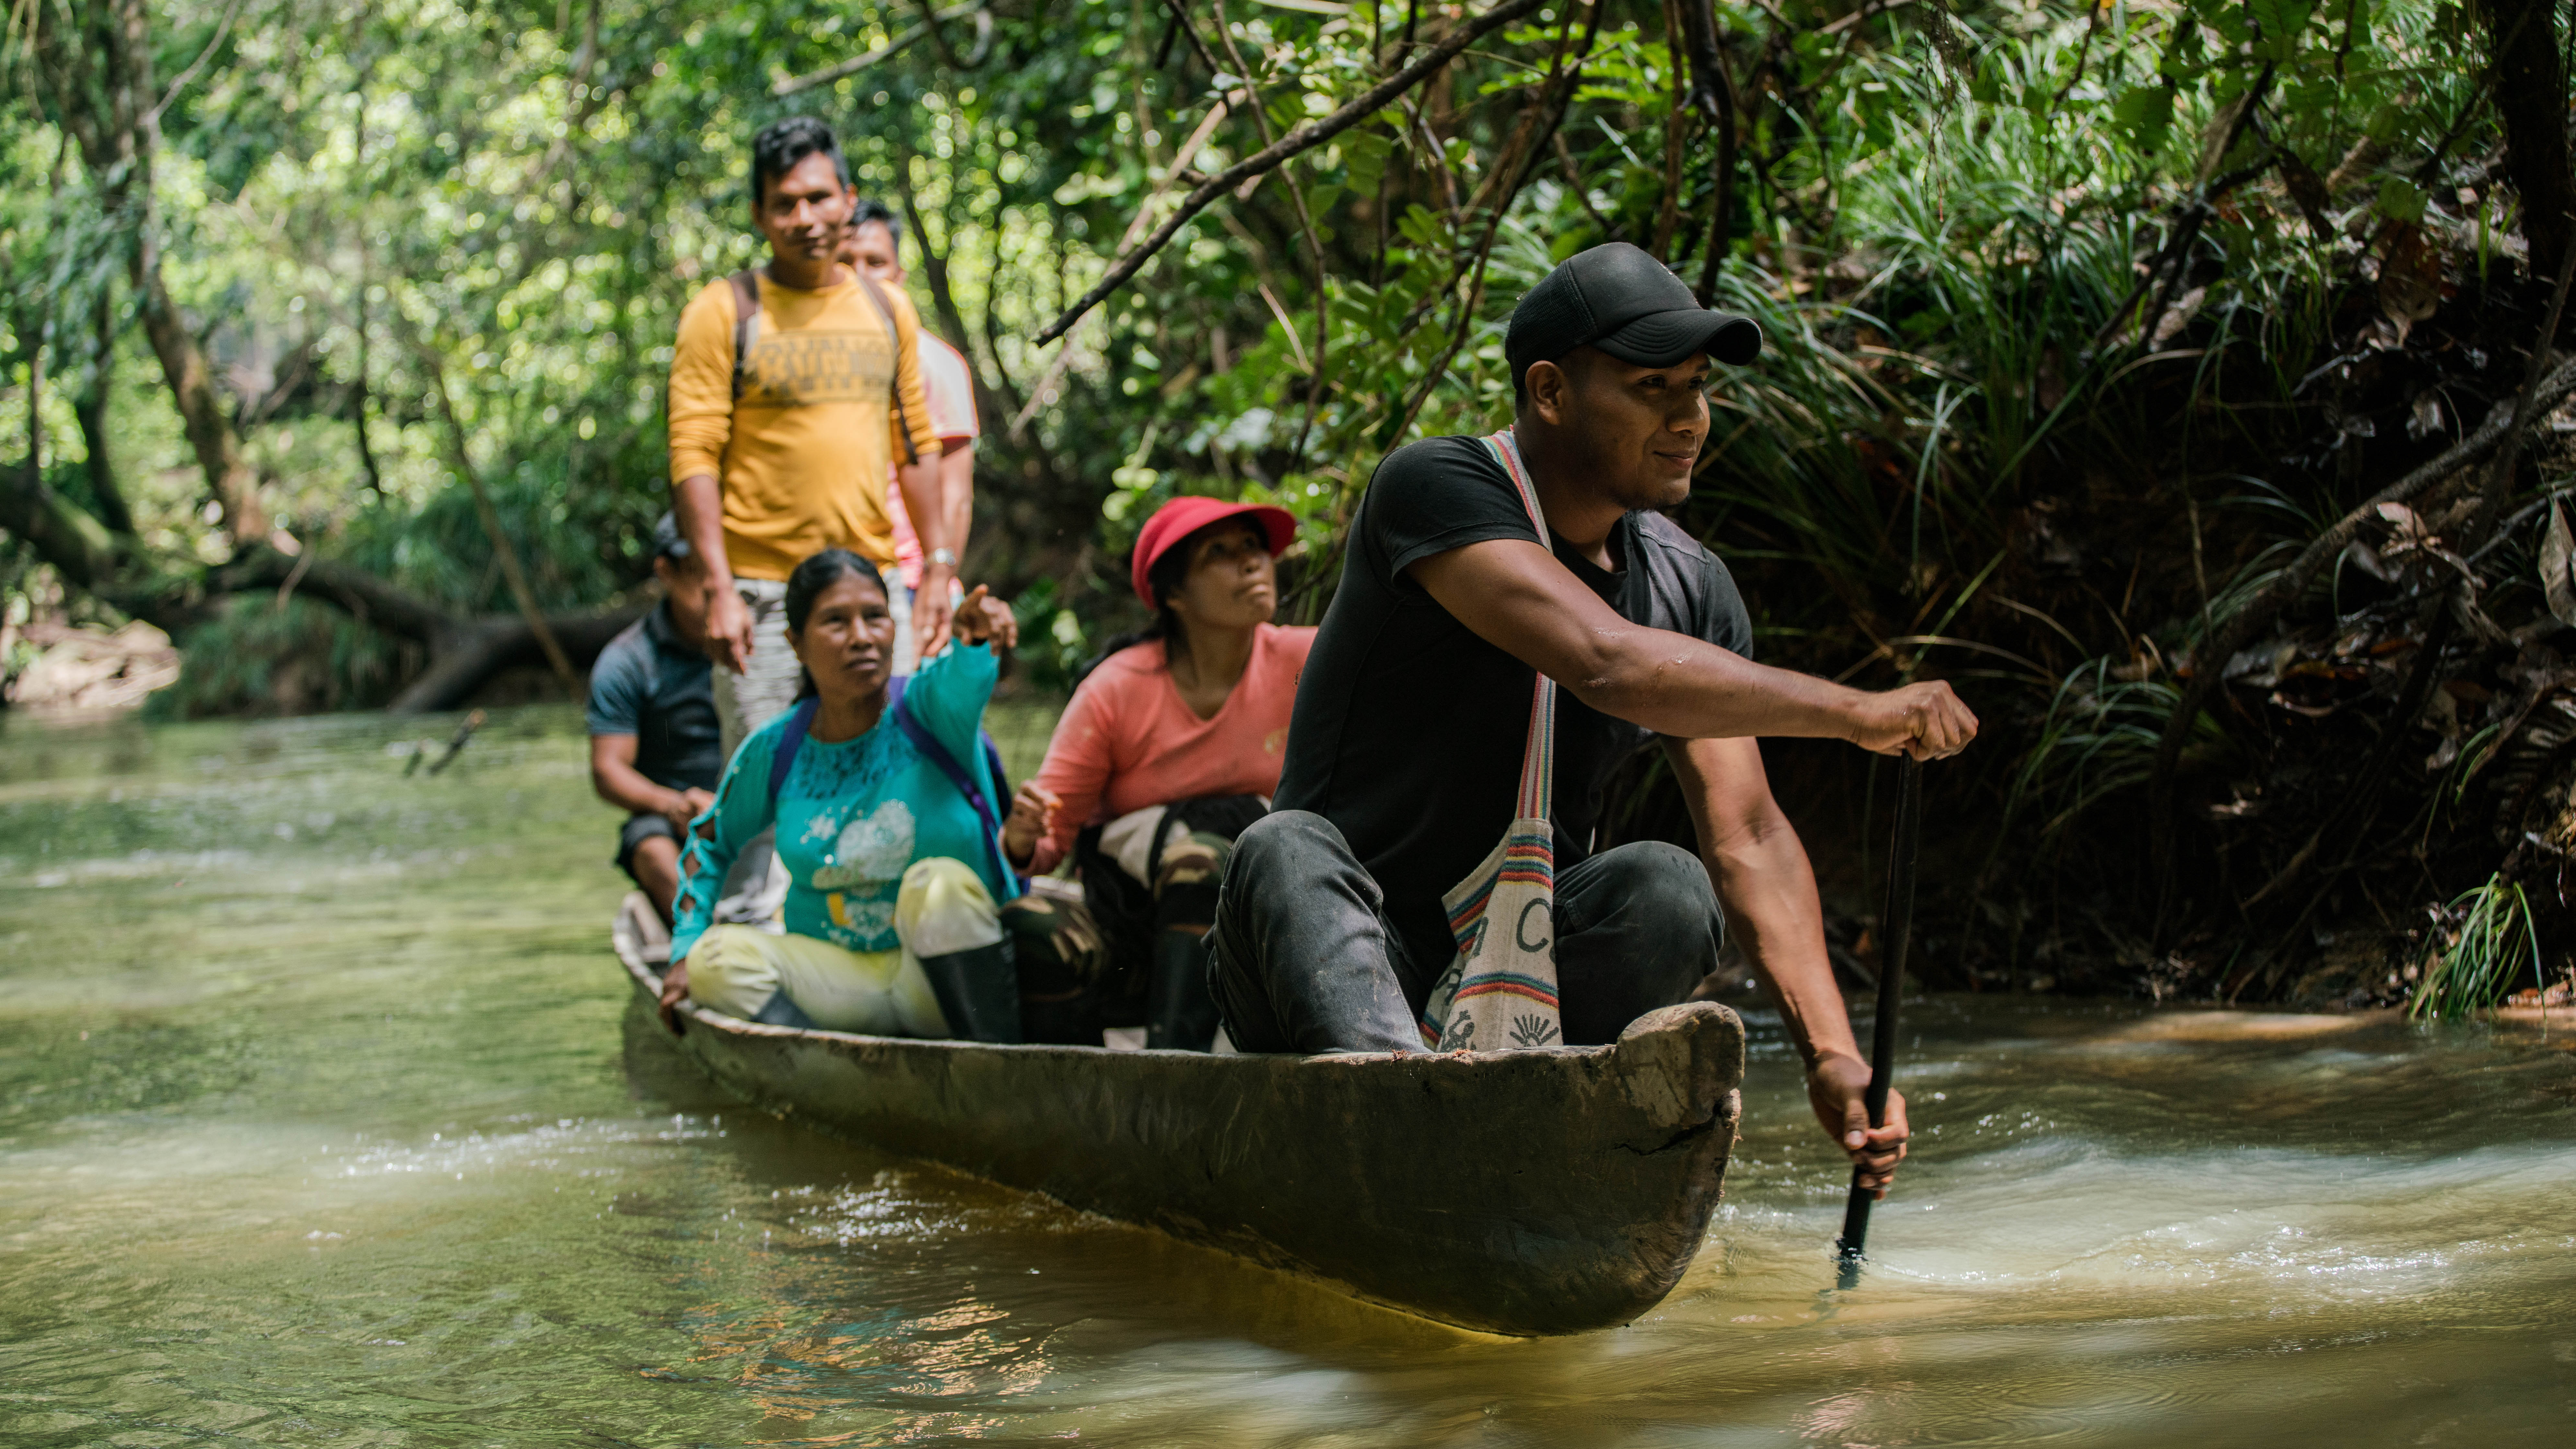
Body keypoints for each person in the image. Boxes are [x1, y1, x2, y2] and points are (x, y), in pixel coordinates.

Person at [1207, 242, 1979, 1200]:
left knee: (1668, 884)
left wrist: (1831, 1051)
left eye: (1697, 387)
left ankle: (1506, 1141)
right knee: (1281, 845)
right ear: (1549, 391)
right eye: (1651, 386)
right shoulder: (1436, 487)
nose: (1688, 417)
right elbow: (1603, 661)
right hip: (1327, 947)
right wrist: (1859, 711)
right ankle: (1406, 1138)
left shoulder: (1688, 582)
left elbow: (1746, 830)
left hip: (1516, 960)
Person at [666, 116, 950, 755]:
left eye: (819, 197)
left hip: (868, 592)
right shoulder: (723, 311)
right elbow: (694, 452)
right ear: (759, 216)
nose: (805, 217)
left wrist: (935, 569)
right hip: (760, 596)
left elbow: (915, 445)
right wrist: (717, 586)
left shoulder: (887, 308)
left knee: (890, 780)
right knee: (762, 791)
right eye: (784, 204)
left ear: (849, 202)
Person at [658, 549, 1027, 1040]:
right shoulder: (777, 748)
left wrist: (978, 635)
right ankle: (832, 1072)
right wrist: (684, 949)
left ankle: (995, 1064)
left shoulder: (932, 707)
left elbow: (970, 668)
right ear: (796, 643)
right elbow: (711, 842)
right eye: (836, 622)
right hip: (840, 986)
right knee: (715, 960)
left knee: (936, 885)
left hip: (942, 986)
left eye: (875, 617)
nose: (862, 638)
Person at [996, 498, 1315, 1049]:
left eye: (1254, 547)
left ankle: (1173, 1083)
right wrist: (1022, 836)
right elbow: (1046, 841)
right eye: (1220, 552)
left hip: (1260, 931)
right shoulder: (1116, 688)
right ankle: (1077, 1104)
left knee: (1201, 859)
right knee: (1030, 925)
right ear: (1173, 595)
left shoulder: (1306, 658)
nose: (1251, 563)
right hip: (1132, 925)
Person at [843, 199, 978, 677]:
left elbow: (956, 496)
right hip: (841, 578)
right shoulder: (821, 361)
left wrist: (937, 584)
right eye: (847, 263)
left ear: (899, 274)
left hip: (912, 581)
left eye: (875, 263)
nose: (861, 275)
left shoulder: (936, 363)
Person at [587, 513, 721, 923]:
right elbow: (608, 769)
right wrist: (676, 805)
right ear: (666, 572)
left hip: (758, 802)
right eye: (698, 568)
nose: (714, 579)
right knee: (650, 847)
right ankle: (696, 939)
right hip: (679, 814)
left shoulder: (769, 640)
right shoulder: (628, 660)